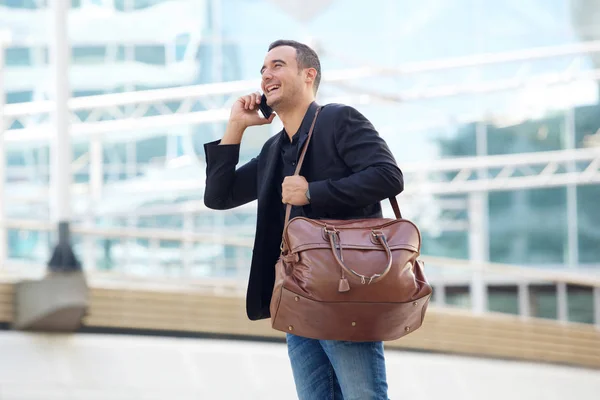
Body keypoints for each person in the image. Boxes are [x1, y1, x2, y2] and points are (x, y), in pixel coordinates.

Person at [203, 39, 403, 400]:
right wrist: (235, 126)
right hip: (297, 298)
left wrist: (313, 192)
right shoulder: (273, 150)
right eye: (263, 69)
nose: (266, 75)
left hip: (344, 292)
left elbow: (388, 176)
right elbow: (219, 197)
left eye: (277, 65)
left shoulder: (339, 120)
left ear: (308, 75)